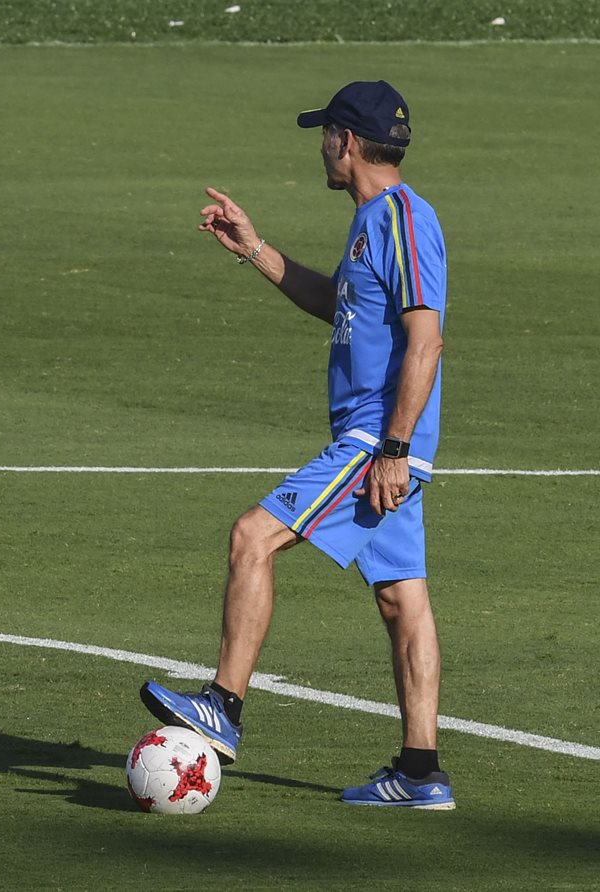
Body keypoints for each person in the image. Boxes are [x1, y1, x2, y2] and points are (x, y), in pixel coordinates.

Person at [140, 81, 453, 808]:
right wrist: (255, 250)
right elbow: (334, 302)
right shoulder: (374, 221)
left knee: (253, 535)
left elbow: (426, 340)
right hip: (381, 439)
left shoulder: (404, 219)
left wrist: (394, 448)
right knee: (402, 600)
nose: (321, 145)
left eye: (326, 134)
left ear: (347, 141)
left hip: (377, 439)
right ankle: (419, 772)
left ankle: (223, 704)